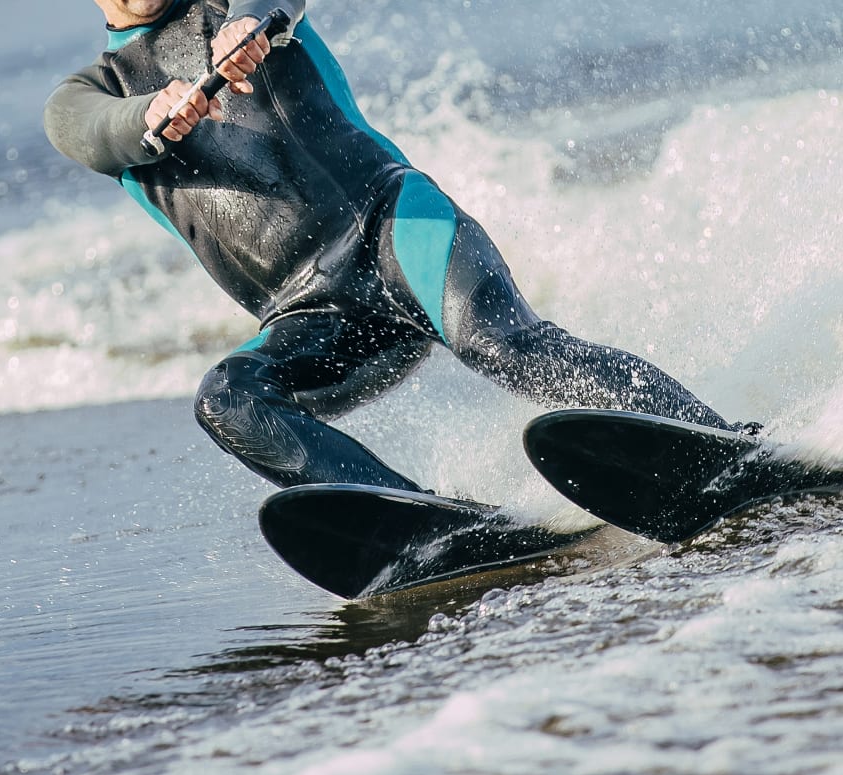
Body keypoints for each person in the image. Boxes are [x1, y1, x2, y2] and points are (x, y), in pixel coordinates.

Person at [45, 0, 739, 495]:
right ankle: (433, 525)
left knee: (504, 344)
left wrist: (249, 24)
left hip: (396, 229)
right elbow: (92, 129)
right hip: (313, 317)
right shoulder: (87, 95)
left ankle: (725, 443)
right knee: (227, 399)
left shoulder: (233, 5)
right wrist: (155, 112)